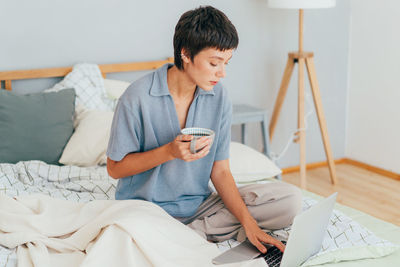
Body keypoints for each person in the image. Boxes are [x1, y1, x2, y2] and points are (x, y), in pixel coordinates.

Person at [106, 5, 302, 254]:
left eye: (226, 63)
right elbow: (115, 168)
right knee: (124, 230)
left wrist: (249, 224)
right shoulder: (136, 98)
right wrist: (169, 152)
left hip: (200, 206)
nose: (222, 73)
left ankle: (188, 233)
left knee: (290, 201)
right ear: (186, 54)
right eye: (214, 63)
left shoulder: (218, 96)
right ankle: (191, 233)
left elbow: (220, 171)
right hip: (146, 208)